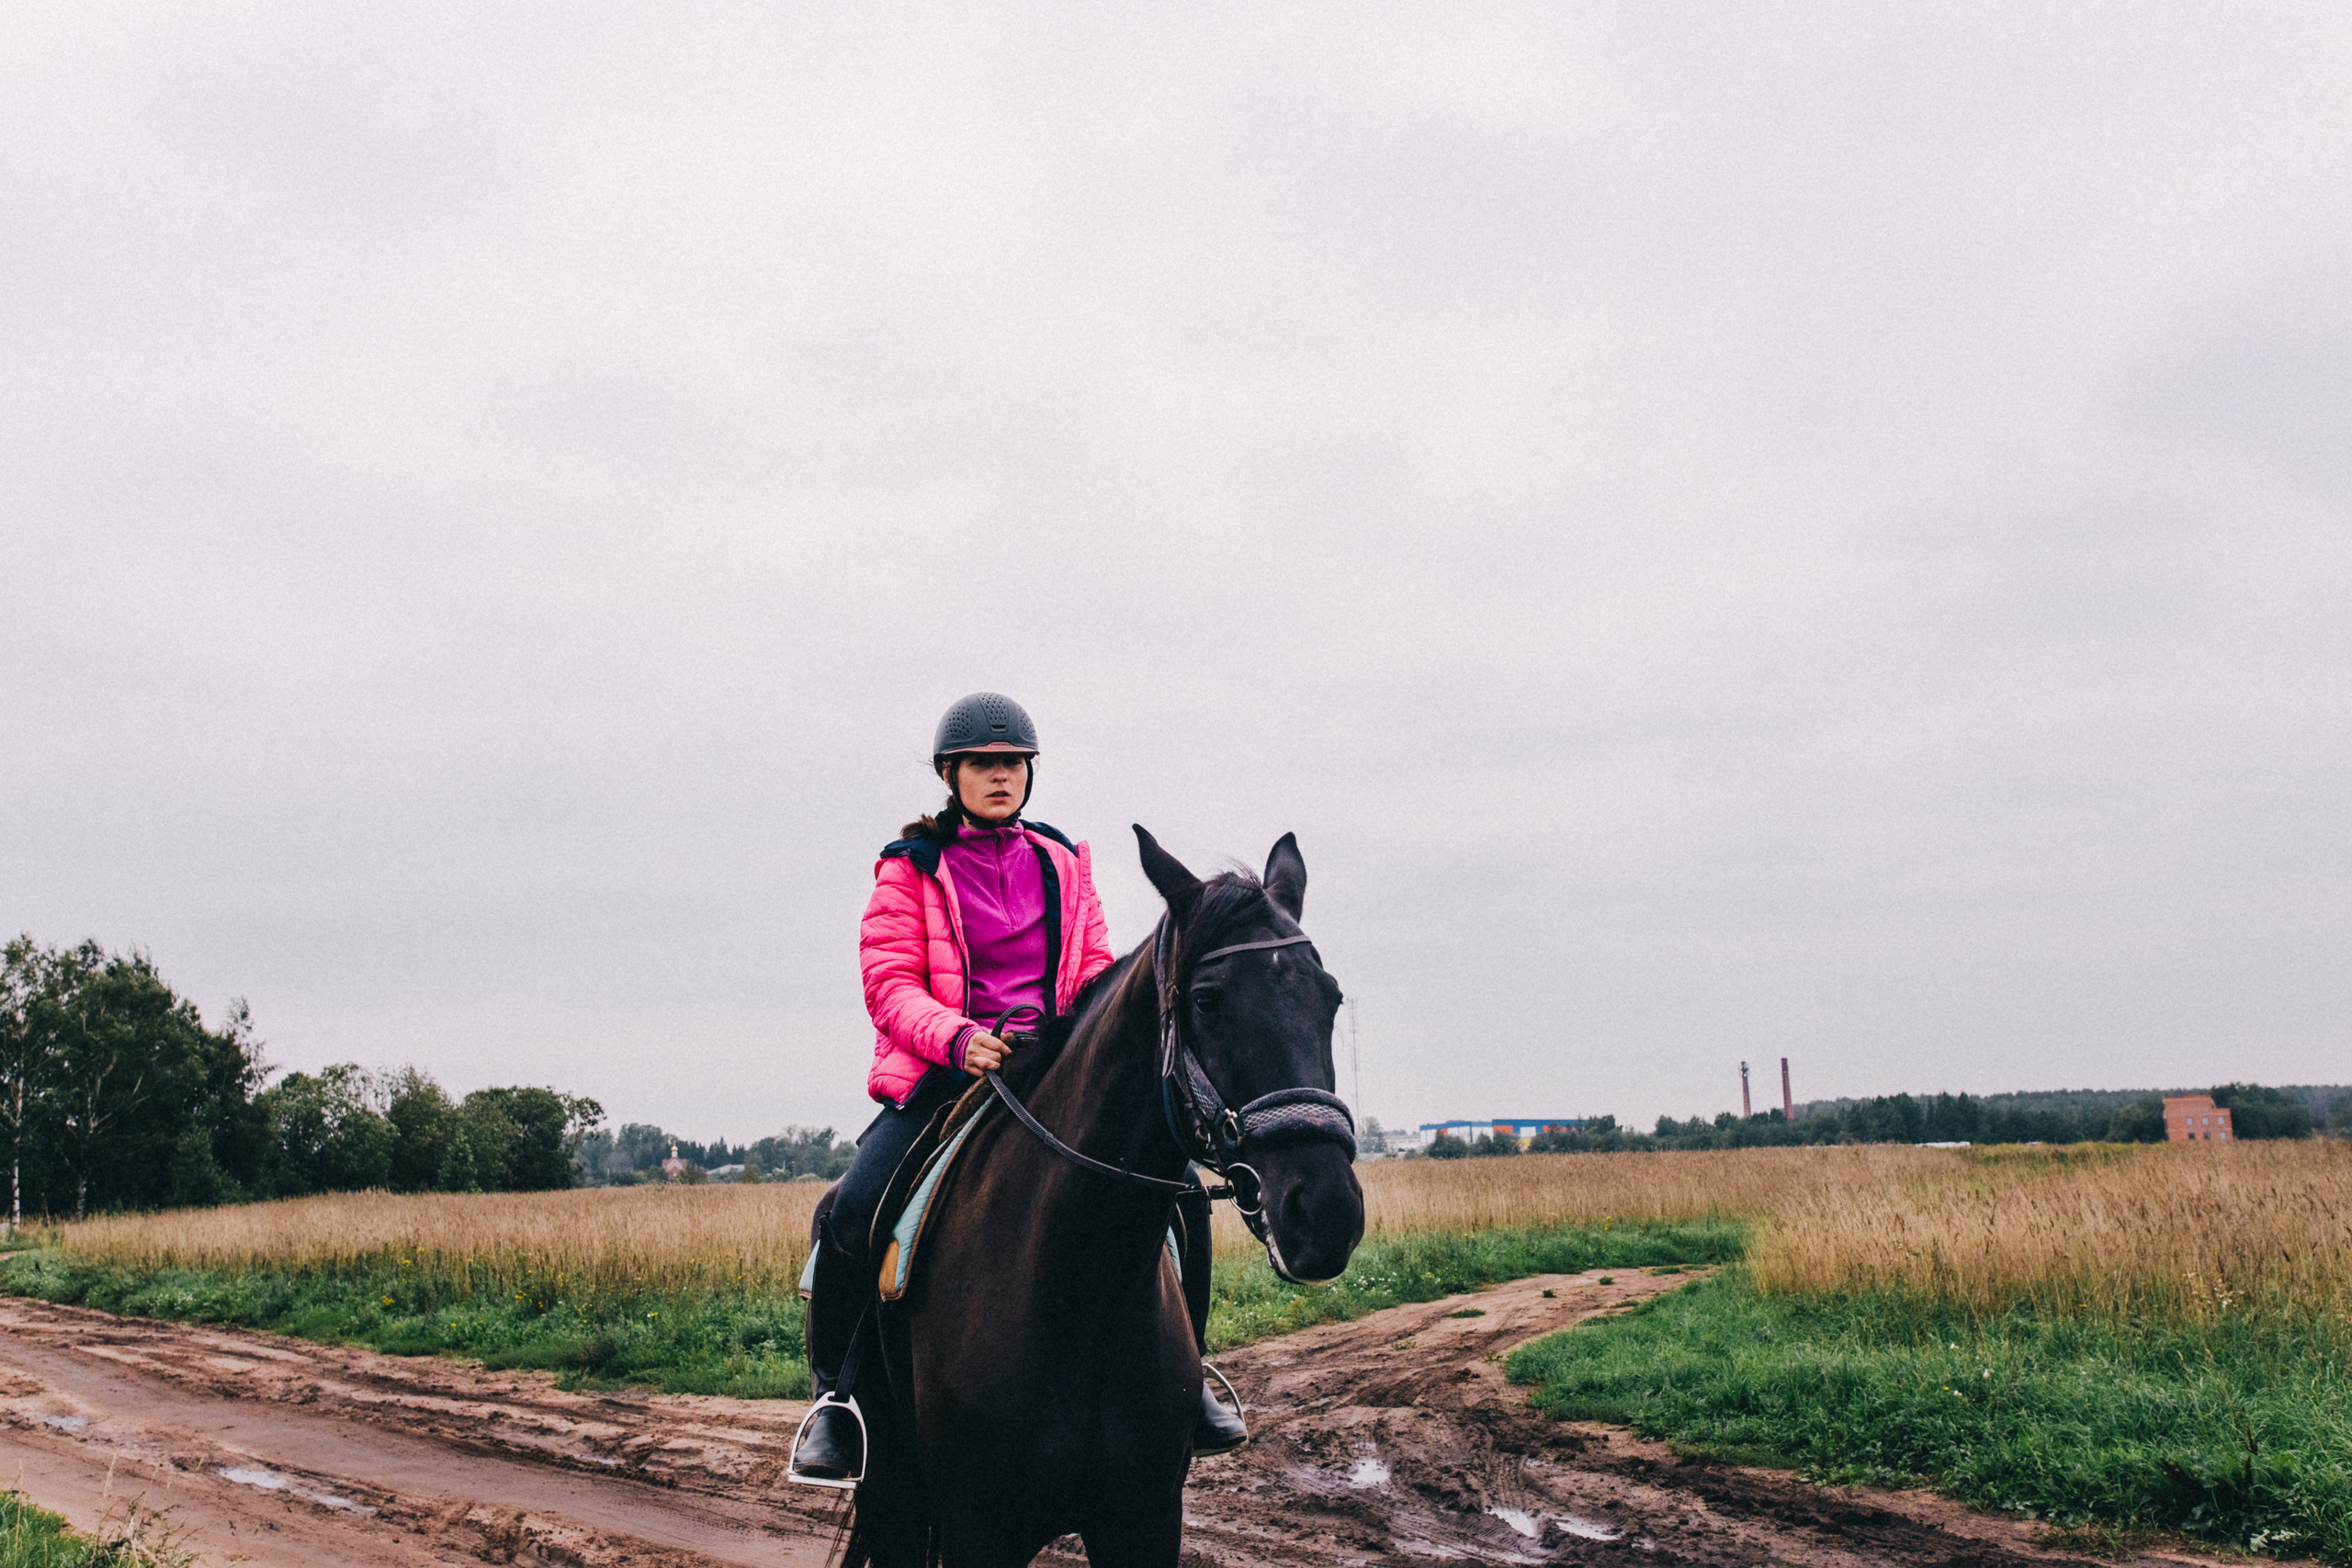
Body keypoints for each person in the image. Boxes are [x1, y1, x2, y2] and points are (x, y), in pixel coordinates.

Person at [791, 692, 1246, 1483]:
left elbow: (1095, 971)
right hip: (949, 1074)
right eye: (983, 763)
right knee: (853, 1208)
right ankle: (839, 1400)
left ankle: (1192, 1375)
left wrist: (1090, 1041)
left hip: (1055, 1071)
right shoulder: (909, 868)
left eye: (1013, 763)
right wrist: (959, 1038)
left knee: (1181, 1195)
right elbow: (890, 984)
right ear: (950, 774)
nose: (1000, 775)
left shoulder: (1064, 862)